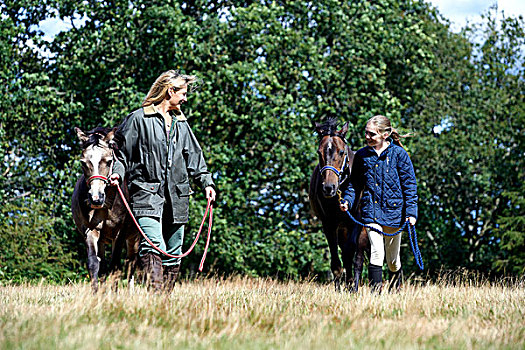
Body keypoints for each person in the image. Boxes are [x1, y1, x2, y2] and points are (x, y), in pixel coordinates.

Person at [110, 70, 216, 291]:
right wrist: (117, 173)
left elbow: (195, 158)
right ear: (170, 91)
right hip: (146, 194)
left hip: (178, 197)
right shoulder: (138, 119)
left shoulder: (182, 123)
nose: (186, 98)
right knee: (153, 244)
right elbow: (120, 153)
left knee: (174, 250)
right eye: (183, 93)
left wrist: (207, 183)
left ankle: (163, 305)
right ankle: (156, 295)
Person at [340, 115, 417, 292]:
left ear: (385, 134)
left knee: (393, 260)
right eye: (366, 133)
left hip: (395, 214)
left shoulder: (399, 155)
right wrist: (347, 201)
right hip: (371, 212)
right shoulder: (361, 156)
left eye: (372, 134)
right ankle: (375, 296)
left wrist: (411, 213)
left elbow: (410, 185)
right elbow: (354, 185)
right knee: (376, 252)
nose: (367, 137)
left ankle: (396, 289)